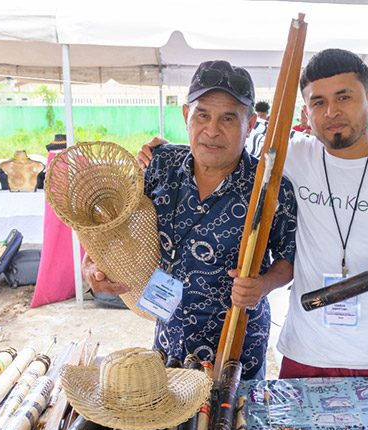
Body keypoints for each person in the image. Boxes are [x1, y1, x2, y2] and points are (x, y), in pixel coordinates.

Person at [138, 50, 368, 380]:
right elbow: (209, 152)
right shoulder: (287, 159)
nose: (332, 111)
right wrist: (161, 152)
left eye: (344, 97)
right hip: (302, 348)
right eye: (318, 102)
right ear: (306, 113)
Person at [89, 60, 297, 380]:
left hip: (237, 346)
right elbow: (116, 225)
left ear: (252, 123)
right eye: (203, 115)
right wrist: (93, 264)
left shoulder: (270, 186)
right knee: (170, 426)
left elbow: (287, 258)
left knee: (231, 427)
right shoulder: (160, 164)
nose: (212, 130)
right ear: (186, 115)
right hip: (168, 339)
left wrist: (263, 285)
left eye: (228, 118)